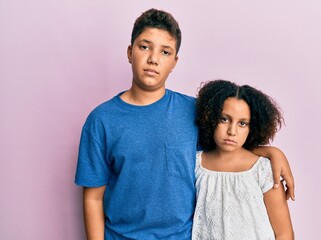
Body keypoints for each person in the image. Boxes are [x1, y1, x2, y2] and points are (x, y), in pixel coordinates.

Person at [74, 9, 295, 240]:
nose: (153, 59)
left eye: (165, 51)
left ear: (174, 62)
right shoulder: (101, 120)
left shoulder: (194, 111)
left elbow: (227, 146)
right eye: (144, 47)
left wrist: (271, 152)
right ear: (130, 52)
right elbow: (93, 198)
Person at [192, 80, 294, 240]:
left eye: (242, 123)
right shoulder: (195, 166)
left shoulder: (263, 170)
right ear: (210, 118)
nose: (232, 131)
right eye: (224, 119)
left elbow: (284, 233)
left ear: (252, 127)